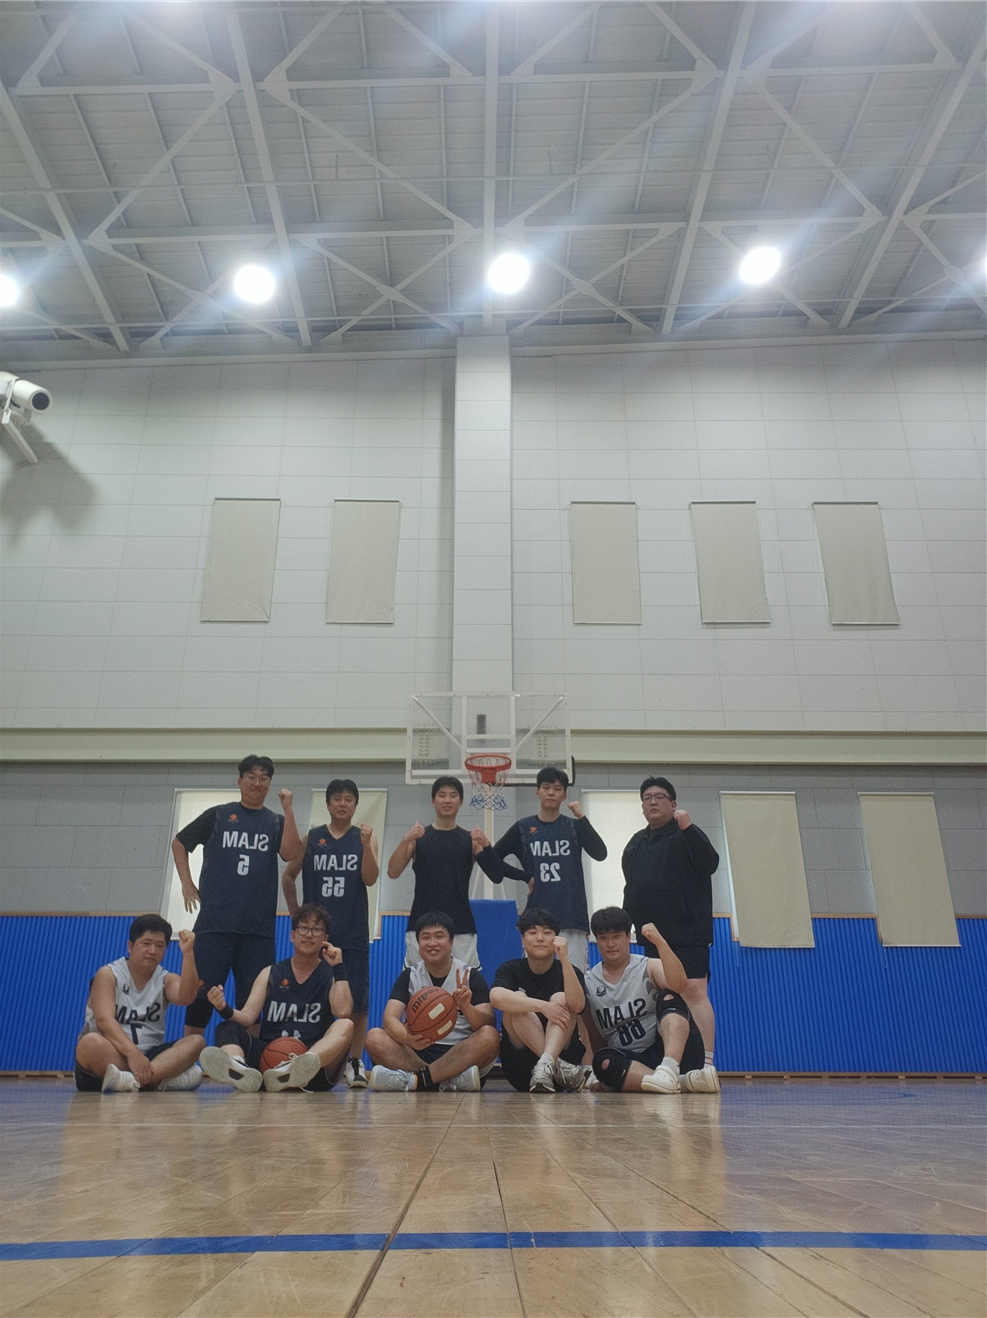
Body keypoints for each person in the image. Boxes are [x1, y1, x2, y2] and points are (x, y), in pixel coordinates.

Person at [172, 755, 300, 1035]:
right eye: (251, 777)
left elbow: (291, 853)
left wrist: (289, 810)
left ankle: (249, 1056)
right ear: (240, 781)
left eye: (264, 778)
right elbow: (179, 842)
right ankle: (188, 1054)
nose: (257, 783)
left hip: (257, 928)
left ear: (270, 784)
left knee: (253, 1000)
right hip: (215, 924)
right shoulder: (218, 815)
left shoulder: (275, 821)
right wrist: (186, 883)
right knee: (200, 996)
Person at [621, 776, 720, 1087]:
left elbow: (710, 863)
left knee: (693, 992)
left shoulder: (687, 832)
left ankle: (705, 1067)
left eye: (660, 796)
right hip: (651, 937)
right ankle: (672, 1064)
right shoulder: (636, 843)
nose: (653, 801)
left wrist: (688, 827)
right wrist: (627, 926)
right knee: (664, 998)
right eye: (647, 797)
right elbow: (631, 888)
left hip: (688, 933)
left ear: (673, 804)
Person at [281, 778, 378, 1090]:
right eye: (337, 798)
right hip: (315, 937)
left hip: (352, 932)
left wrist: (366, 845)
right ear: (328, 804)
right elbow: (288, 876)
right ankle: (311, 1059)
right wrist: (297, 918)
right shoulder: (312, 838)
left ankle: (355, 1062)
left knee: (357, 1003)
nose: (342, 803)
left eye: (348, 799)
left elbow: (371, 878)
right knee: (315, 1001)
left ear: (355, 805)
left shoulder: (363, 838)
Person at [199, 903, 354, 1093]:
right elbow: (247, 1018)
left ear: (325, 939)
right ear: (292, 935)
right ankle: (239, 1068)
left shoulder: (330, 976)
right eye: (303, 928)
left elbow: (343, 1012)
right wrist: (224, 1008)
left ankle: (296, 1068)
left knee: (346, 1025)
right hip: (269, 1063)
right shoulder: (270, 973)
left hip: (312, 1067)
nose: (309, 934)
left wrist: (339, 967)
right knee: (227, 1027)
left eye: (316, 930)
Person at [475, 766, 606, 972]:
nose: (551, 792)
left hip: (571, 916)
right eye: (546, 787)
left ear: (564, 795)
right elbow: (493, 863)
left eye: (557, 788)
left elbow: (600, 853)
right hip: (536, 920)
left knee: (574, 978)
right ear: (537, 792)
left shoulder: (573, 826)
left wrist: (582, 818)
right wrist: (525, 877)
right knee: (536, 980)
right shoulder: (523, 828)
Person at [582, 906, 716, 1094]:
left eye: (616, 936)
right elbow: (595, 1037)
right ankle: (682, 1082)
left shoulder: (648, 966)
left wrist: (660, 943)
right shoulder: (589, 981)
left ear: (628, 937)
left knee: (670, 996)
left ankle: (669, 1069)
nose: (610, 943)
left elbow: (679, 984)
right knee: (603, 1062)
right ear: (597, 941)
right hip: (632, 1062)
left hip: (675, 1053)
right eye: (603, 938)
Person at [365, 910, 500, 1092]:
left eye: (439, 936)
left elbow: (488, 1023)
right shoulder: (409, 976)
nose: (432, 943)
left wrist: (467, 1008)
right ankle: (446, 1080)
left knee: (490, 1037)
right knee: (374, 1037)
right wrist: (408, 1039)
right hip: (417, 1051)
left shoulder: (470, 976)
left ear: (451, 942)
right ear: (418, 944)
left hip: (460, 1051)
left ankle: (415, 1080)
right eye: (425, 937)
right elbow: (389, 1019)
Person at [75, 914, 206, 1093]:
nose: (152, 950)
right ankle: (157, 1079)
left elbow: (187, 997)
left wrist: (188, 953)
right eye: (146, 943)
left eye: (160, 946)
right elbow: (104, 1021)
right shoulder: (109, 974)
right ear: (130, 946)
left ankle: (133, 1081)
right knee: (89, 1044)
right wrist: (133, 1054)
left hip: (150, 1056)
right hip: (114, 1053)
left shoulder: (165, 978)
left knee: (197, 1042)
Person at [387, 776, 504, 969]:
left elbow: (497, 876)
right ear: (433, 801)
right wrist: (405, 839)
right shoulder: (418, 838)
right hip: (421, 925)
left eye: (453, 795)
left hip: (461, 927)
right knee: (419, 984)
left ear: (461, 802)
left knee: (464, 983)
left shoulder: (471, 840)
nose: (447, 800)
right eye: (442, 795)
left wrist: (486, 845)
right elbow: (392, 872)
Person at [489, 907, 591, 1093]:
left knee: (561, 997)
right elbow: (496, 997)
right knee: (517, 1000)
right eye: (532, 932)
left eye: (547, 932)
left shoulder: (569, 970)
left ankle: (546, 1064)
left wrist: (565, 959)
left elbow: (578, 1005)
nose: (540, 938)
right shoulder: (511, 968)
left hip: (564, 1066)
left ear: (556, 938)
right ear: (522, 939)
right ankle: (556, 1065)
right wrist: (543, 1007)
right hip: (523, 1069)